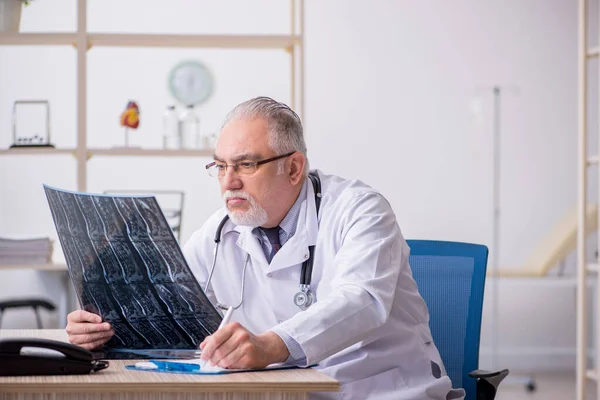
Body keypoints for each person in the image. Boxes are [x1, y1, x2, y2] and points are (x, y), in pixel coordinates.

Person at [65, 97, 464, 400]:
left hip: (382, 389)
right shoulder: (222, 231)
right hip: (286, 391)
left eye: (245, 165)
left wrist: (269, 345)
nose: (228, 182)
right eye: (220, 166)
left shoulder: (359, 209)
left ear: (293, 168)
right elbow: (167, 306)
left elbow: (361, 299)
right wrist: (104, 329)